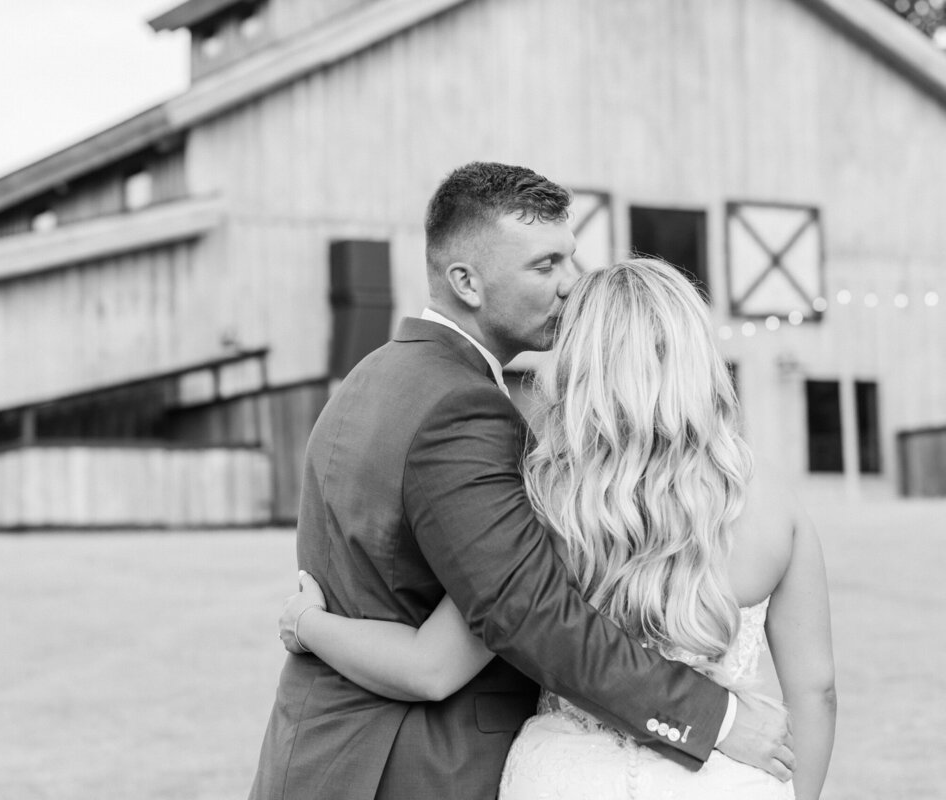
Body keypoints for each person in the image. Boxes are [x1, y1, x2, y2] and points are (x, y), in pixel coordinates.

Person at [248, 162, 793, 800]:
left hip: (318, 752)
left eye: (570, 258)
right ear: (466, 282)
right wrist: (717, 717)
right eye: (545, 265)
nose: (572, 284)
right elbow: (531, 615)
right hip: (409, 765)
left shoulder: (372, 377)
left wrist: (310, 626)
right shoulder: (463, 408)